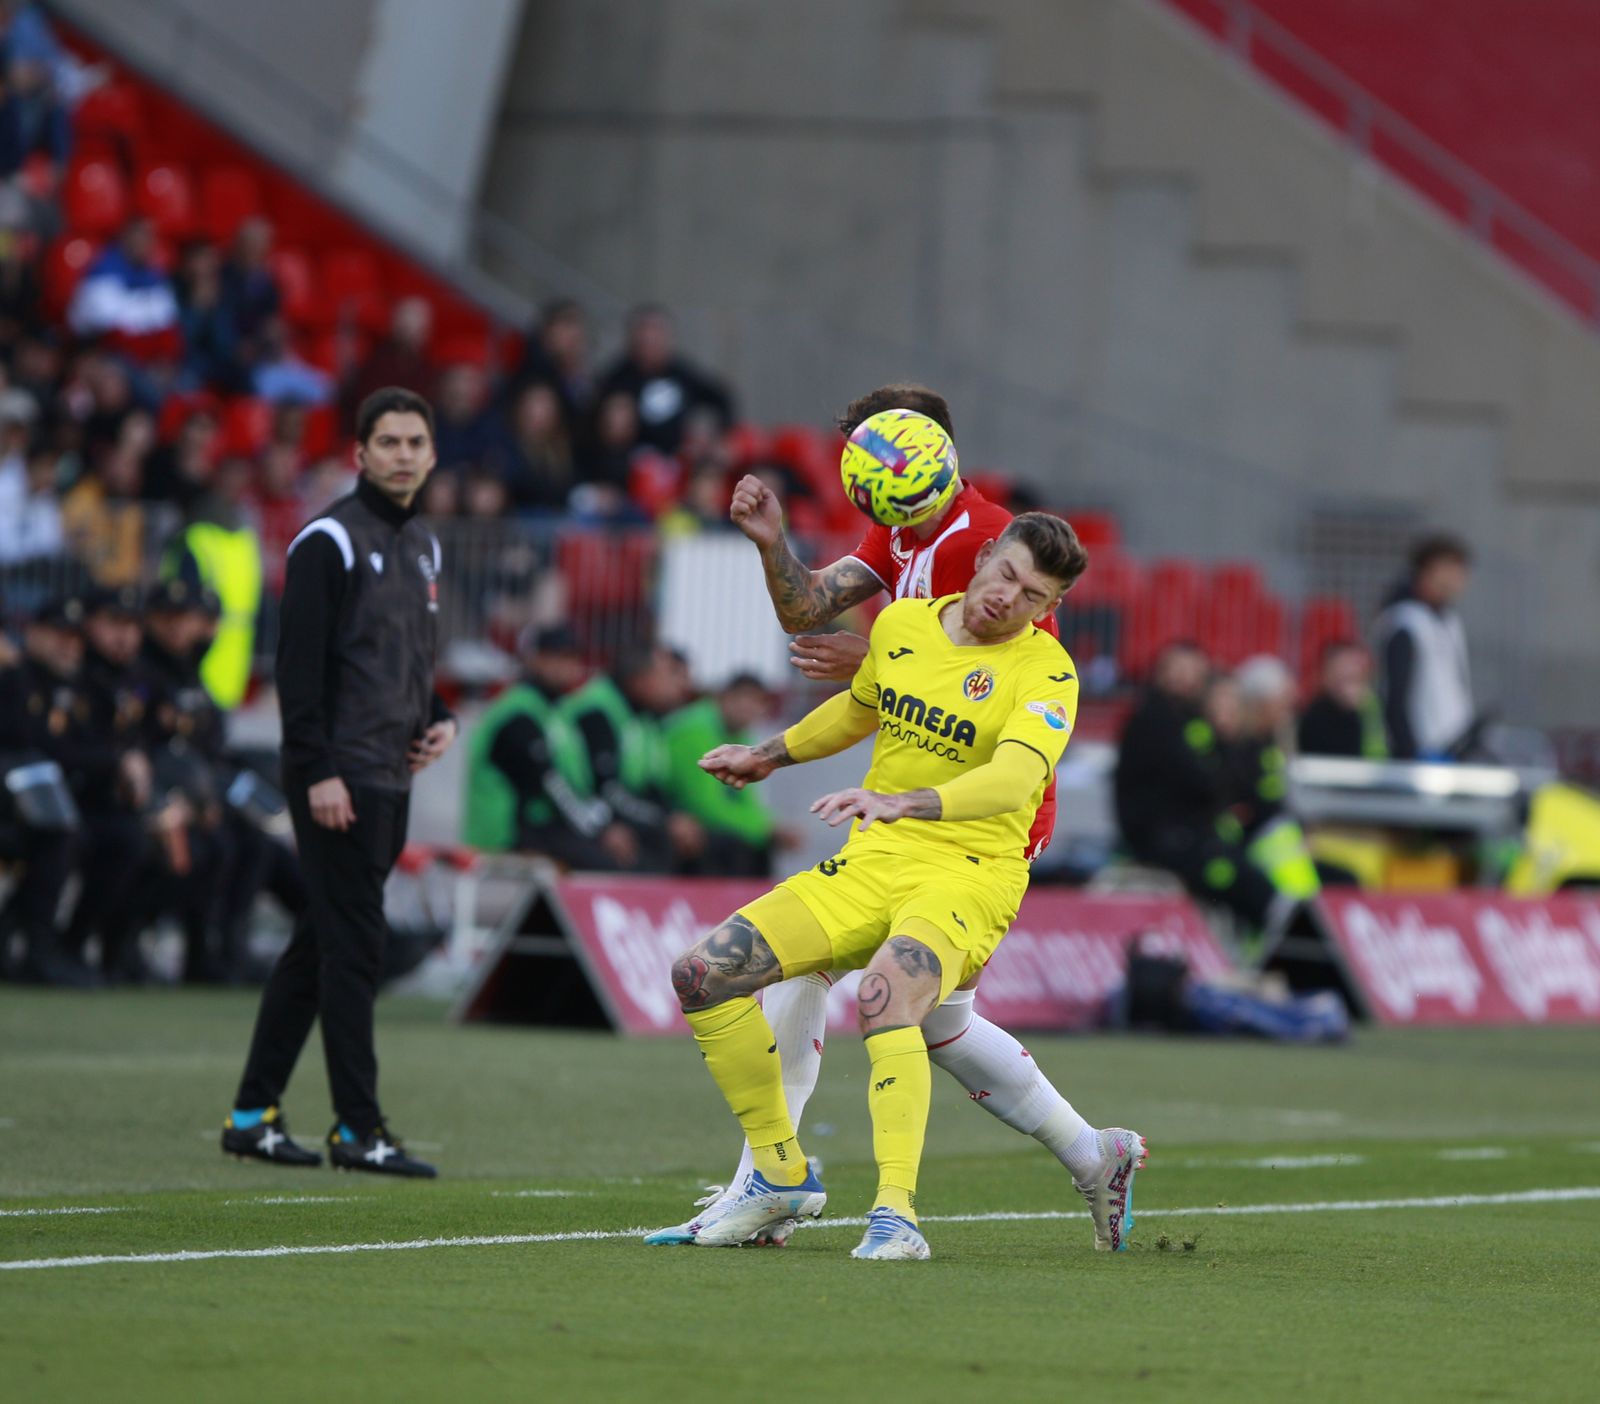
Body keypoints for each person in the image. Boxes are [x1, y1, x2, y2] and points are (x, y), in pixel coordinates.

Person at [649, 515, 1144, 1259]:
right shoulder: (905, 623)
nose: (1008, 598)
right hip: (874, 858)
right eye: (1006, 575)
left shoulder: (1048, 673)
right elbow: (861, 706)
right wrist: (769, 755)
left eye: (1033, 596)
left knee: (888, 995)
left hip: (970, 870)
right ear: (984, 557)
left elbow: (1014, 778)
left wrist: (905, 801)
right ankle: (777, 1173)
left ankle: (896, 1215)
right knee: (702, 973)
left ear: (1051, 608)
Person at [222, 387, 456, 1177]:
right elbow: (299, 671)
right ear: (359, 454)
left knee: (319, 944)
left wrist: (441, 715)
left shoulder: (423, 544)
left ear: (431, 454)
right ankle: (359, 1128)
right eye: (387, 442)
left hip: (391, 772)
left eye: (414, 442)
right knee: (355, 948)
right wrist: (316, 770)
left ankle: (252, 1115)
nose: (402, 455)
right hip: (339, 776)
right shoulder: (327, 540)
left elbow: (406, 657)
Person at [1114, 643, 1294, 937]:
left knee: (1249, 868)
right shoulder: (1155, 721)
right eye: (1177, 670)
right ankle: (1279, 937)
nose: (1184, 679)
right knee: (1239, 878)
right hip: (1164, 841)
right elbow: (1204, 784)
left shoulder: (1192, 724)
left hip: (1192, 836)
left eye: (1192, 672)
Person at [462, 623, 638, 869]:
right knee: (608, 862)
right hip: (505, 836)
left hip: (543, 826)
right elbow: (552, 786)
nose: (567, 666)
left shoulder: (556, 710)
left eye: (573, 657)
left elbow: (574, 786)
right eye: (557, 656)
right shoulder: (517, 713)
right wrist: (602, 831)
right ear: (534, 659)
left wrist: (607, 824)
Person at [0, 594, 90, 984]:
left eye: (75, 637)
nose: (68, 646)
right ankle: (34, 946)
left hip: (38, 807)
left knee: (72, 834)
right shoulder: (16, 677)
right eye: (58, 635)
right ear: (31, 633)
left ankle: (39, 945)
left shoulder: (77, 685)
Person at [556, 644, 706, 873]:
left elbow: (647, 785)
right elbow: (604, 789)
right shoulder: (596, 710)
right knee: (654, 843)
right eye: (668, 674)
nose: (679, 686)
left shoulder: (642, 717)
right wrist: (664, 821)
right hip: (572, 819)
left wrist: (673, 817)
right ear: (640, 679)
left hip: (604, 812)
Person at [661, 672, 787, 877]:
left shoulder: (738, 733)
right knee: (737, 845)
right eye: (744, 699)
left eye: (757, 703)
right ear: (725, 698)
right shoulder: (694, 730)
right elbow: (703, 804)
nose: (750, 709)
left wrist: (766, 827)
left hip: (700, 819)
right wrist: (764, 829)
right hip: (672, 812)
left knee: (759, 846)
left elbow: (746, 796)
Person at [1374, 535, 1475, 761]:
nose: (1459, 579)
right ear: (1429, 571)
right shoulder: (1405, 622)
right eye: (1451, 569)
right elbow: (1395, 696)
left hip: (1454, 750)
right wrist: (1409, 752)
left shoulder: (1448, 621)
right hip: (1421, 754)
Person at [596, 304, 733, 455]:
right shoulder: (616, 379)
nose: (649, 337)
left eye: (656, 331)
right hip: (630, 459)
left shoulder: (682, 373)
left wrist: (715, 437)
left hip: (679, 458)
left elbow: (722, 398)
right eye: (644, 331)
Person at [1299, 641, 1388, 760]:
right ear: (1326, 674)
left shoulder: (1371, 708)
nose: (1348, 670)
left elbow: (1380, 753)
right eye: (1341, 668)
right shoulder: (1314, 714)